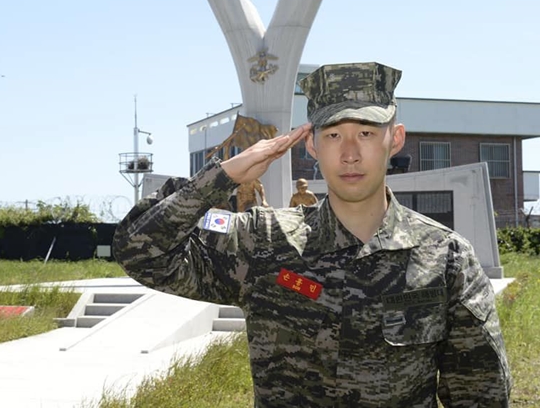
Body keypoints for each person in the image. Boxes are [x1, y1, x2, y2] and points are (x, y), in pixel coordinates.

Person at [112, 62, 511, 407]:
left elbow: (480, 392)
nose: (350, 153)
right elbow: (142, 252)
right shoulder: (262, 242)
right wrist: (224, 177)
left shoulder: (445, 257)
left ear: (396, 139)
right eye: (334, 135)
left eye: (368, 133)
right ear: (312, 144)